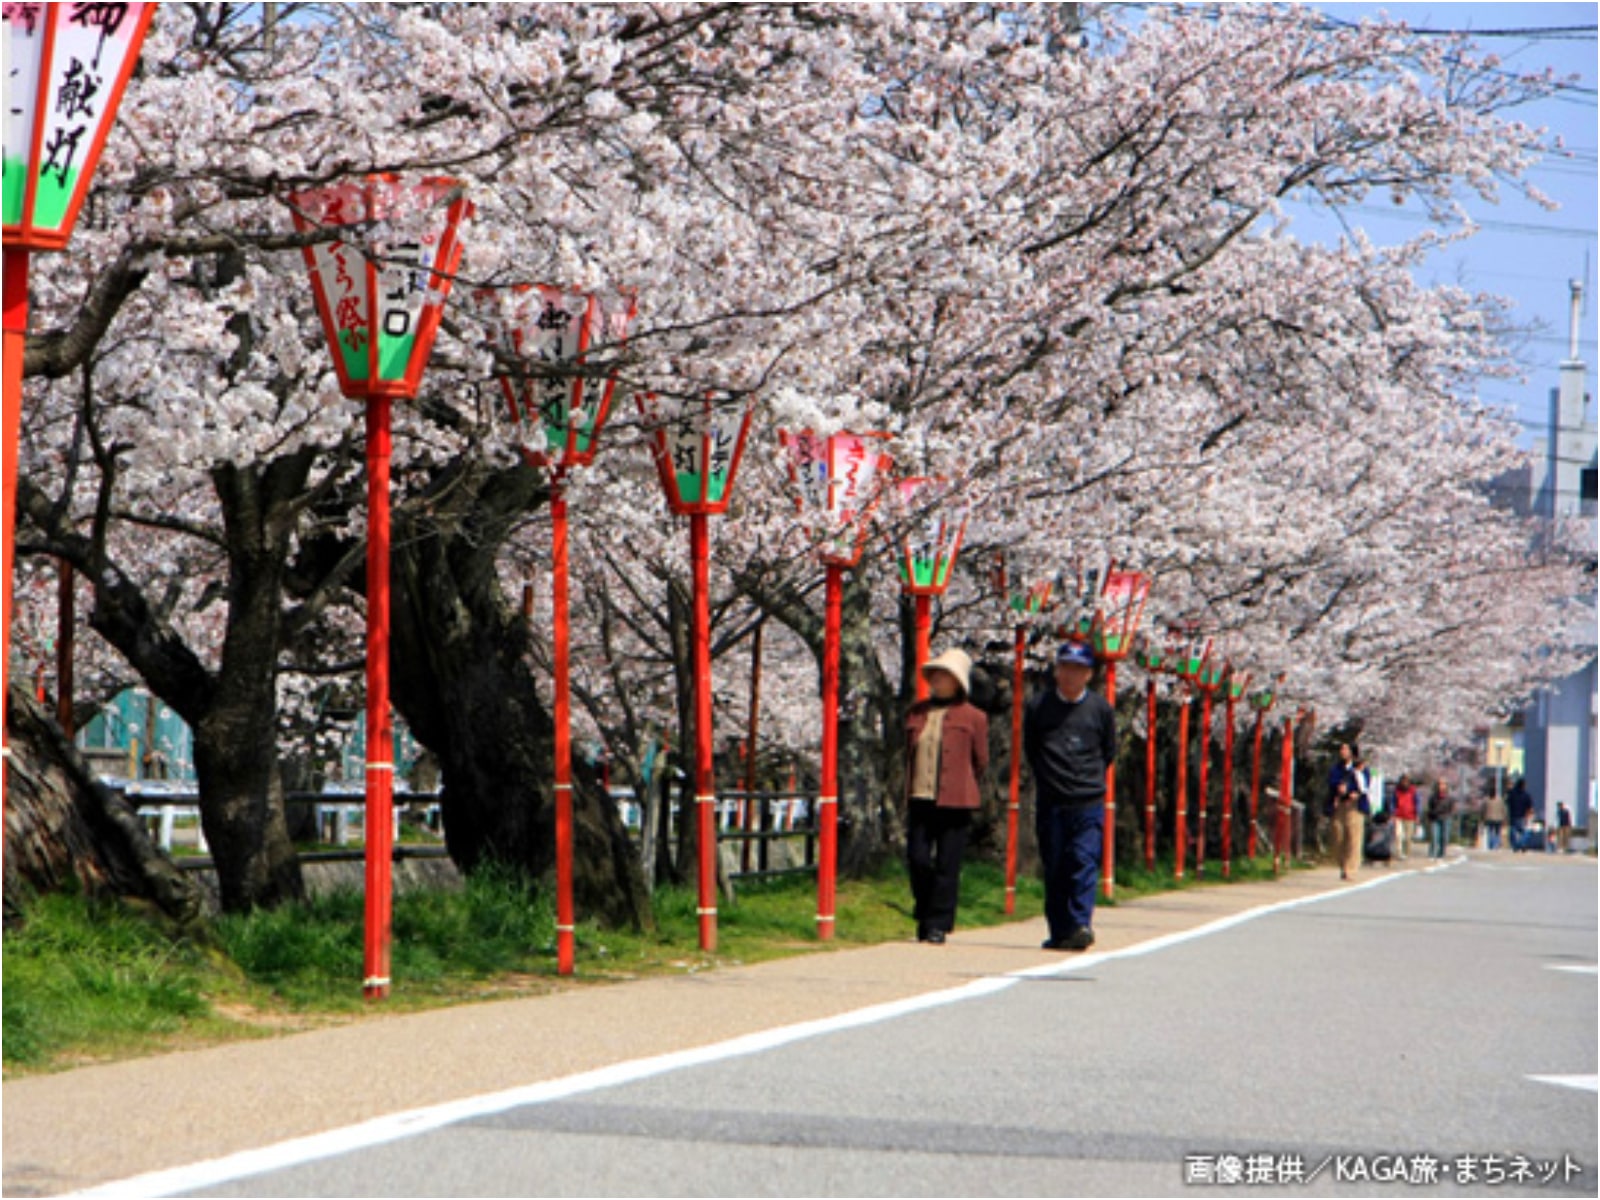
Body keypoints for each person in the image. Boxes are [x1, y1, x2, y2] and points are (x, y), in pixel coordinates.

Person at [1024, 640, 1116, 951]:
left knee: (1083, 859)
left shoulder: (1100, 709)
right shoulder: (1039, 707)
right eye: (1065, 667)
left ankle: (1080, 923)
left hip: (1087, 800)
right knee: (1055, 864)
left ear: (1089, 674)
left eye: (1078, 669)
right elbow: (1031, 747)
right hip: (1052, 800)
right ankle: (1060, 929)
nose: (1070, 675)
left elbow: (1108, 751)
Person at [904, 647, 990, 944]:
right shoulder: (917, 713)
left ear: (957, 681)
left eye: (945, 675)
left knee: (947, 864)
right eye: (936, 674)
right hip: (920, 795)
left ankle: (938, 923)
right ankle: (925, 909)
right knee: (917, 858)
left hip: (956, 800)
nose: (938, 680)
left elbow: (981, 760)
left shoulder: (974, 717)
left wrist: (962, 782)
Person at [1326, 743, 1364, 881]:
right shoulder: (1336, 768)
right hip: (1339, 805)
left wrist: (1354, 792)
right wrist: (1338, 788)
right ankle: (1342, 864)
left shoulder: (1359, 769)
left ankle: (1351, 869)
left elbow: (1364, 785)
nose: (1343, 752)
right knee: (1338, 835)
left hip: (1355, 806)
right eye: (1341, 749)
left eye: (1346, 749)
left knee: (1353, 838)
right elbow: (1331, 782)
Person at [1392, 774, 1419, 860]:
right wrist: (1393, 812)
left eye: (1406, 781)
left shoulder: (1413, 791)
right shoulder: (1396, 790)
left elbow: (1417, 802)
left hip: (1410, 815)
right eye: (1403, 781)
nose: (1404, 783)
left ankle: (1407, 853)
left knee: (1408, 837)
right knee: (1398, 835)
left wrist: (1417, 814)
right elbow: (1393, 802)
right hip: (1398, 815)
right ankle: (1399, 853)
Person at [1425, 779, 1453, 859]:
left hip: (1445, 819)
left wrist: (1449, 815)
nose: (1441, 786)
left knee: (1444, 837)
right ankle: (1432, 853)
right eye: (1440, 784)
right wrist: (1430, 817)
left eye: (1443, 784)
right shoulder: (1433, 797)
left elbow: (1451, 808)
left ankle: (1441, 853)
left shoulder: (1449, 797)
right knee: (1434, 836)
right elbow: (1430, 807)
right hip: (1435, 818)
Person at [1505, 777, 1535, 853]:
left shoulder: (1512, 793)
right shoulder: (1526, 795)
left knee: (1513, 831)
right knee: (1526, 832)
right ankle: (1521, 844)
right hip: (1522, 816)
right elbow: (1530, 807)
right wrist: (1529, 816)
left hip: (1513, 815)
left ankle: (1516, 845)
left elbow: (1507, 802)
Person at [1482, 784, 1507, 851]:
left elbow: (1483, 810)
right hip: (1499, 818)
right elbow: (1503, 809)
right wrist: (1504, 818)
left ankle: (1491, 845)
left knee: (1490, 832)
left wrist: (1483, 818)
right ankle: (1496, 844)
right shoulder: (1500, 800)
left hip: (1489, 818)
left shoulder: (1486, 800)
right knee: (1497, 832)